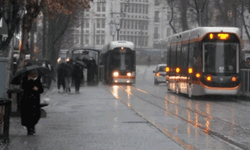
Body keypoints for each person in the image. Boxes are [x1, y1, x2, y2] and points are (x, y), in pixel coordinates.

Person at [20, 70, 44, 135]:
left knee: (36, 115)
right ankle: (29, 128)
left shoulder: (37, 80)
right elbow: (23, 87)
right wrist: (30, 84)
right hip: (27, 100)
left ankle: (32, 126)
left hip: (35, 101)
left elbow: (41, 90)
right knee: (27, 115)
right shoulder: (25, 79)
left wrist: (37, 89)